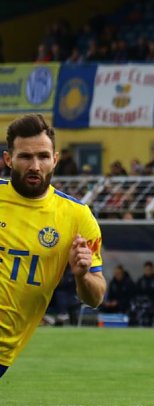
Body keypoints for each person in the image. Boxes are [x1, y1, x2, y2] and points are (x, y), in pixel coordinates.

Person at [0, 113, 105, 379]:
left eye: (43, 157)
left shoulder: (77, 217)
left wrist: (81, 276)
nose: (35, 165)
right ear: (8, 159)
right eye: (25, 156)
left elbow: (95, 296)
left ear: (55, 160)